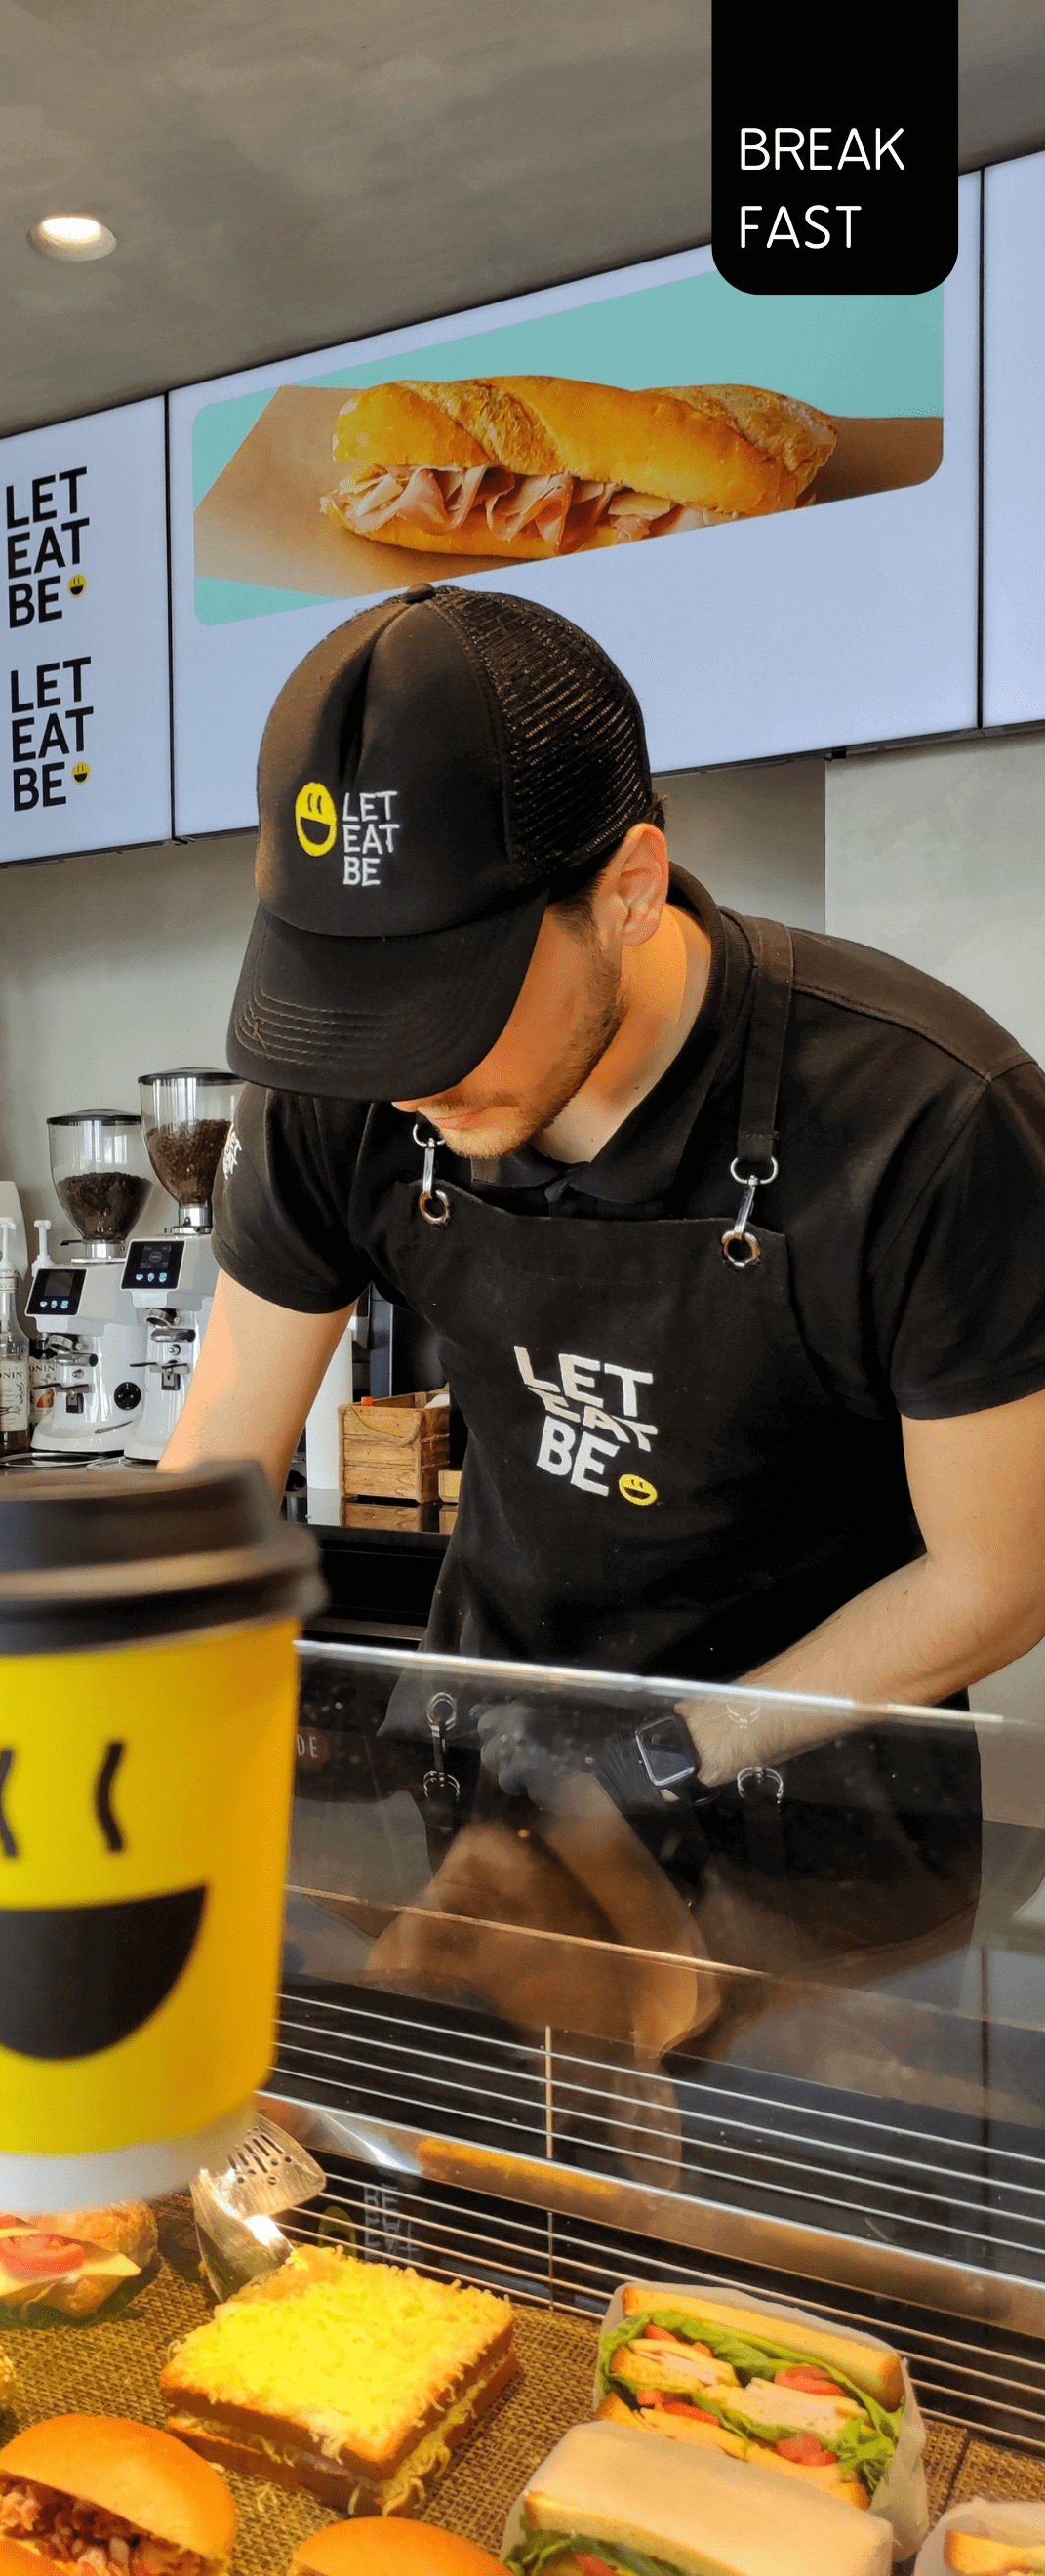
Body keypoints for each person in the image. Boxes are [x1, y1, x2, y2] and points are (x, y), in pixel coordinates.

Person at [164, 584, 1045, 2016]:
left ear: (627, 890)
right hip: (485, 1799)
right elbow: (213, 1467)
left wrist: (664, 1756)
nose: (403, 1077)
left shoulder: (927, 1123)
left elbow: (999, 1574)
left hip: (825, 1864)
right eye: (357, 1003)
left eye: (451, 1001)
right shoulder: (357, 1096)